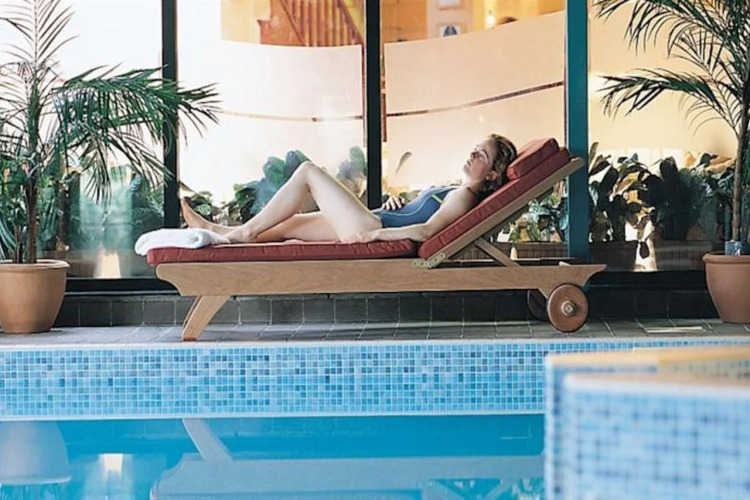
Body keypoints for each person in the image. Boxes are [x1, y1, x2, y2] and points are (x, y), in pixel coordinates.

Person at [181, 134, 517, 244]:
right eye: (475, 148)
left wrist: (376, 235)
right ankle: (218, 234)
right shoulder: (454, 188)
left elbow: (428, 231)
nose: (472, 154)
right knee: (287, 225)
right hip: (373, 218)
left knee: (308, 172)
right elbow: (419, 214)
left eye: (482, 155)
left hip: (369, 227)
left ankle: (238, 234)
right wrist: (398, 202)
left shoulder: (464, 196)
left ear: (492, 174)